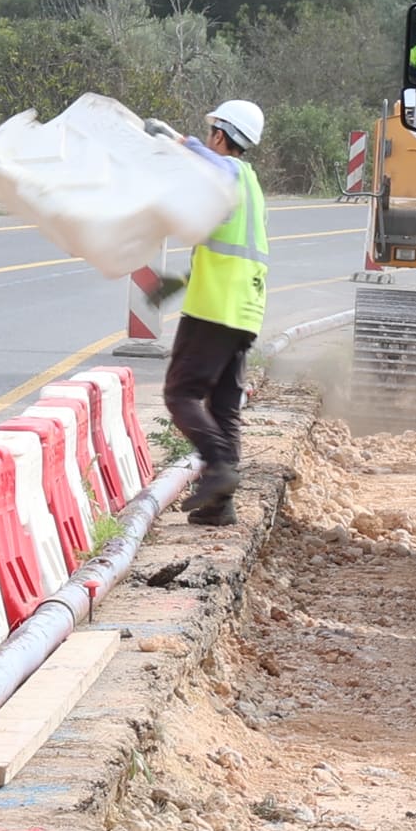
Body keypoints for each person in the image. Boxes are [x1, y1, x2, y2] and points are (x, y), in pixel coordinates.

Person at [153, 99, 269, 525]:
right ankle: (221, 507)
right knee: (223, 406)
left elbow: (217, 168)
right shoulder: (251, 182)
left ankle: (219, 467)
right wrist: (180, 279)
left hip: (215, 307)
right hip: (245, 309)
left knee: (180, 393)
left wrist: (180, 141)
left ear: (221, 135)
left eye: (210, 133)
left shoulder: (231, 171)